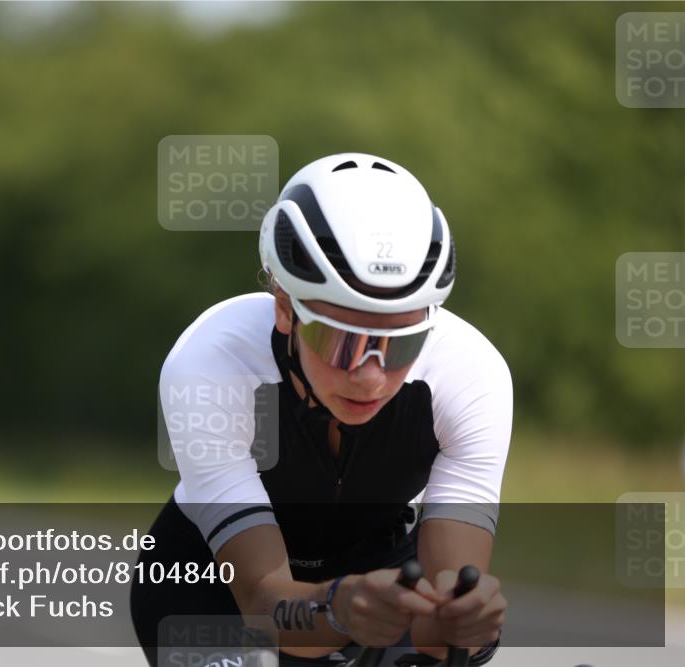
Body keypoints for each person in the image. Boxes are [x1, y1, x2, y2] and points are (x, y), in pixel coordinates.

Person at [131, 153, 511, 666]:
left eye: (400, 343)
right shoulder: (211, 364)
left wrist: (463, 622)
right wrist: (335, 609)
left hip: (382, 580)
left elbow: (442, 625)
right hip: (214, 589)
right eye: (341, 341)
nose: (370, 375)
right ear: (284, 306)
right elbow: (263, 600)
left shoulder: (469, 373)